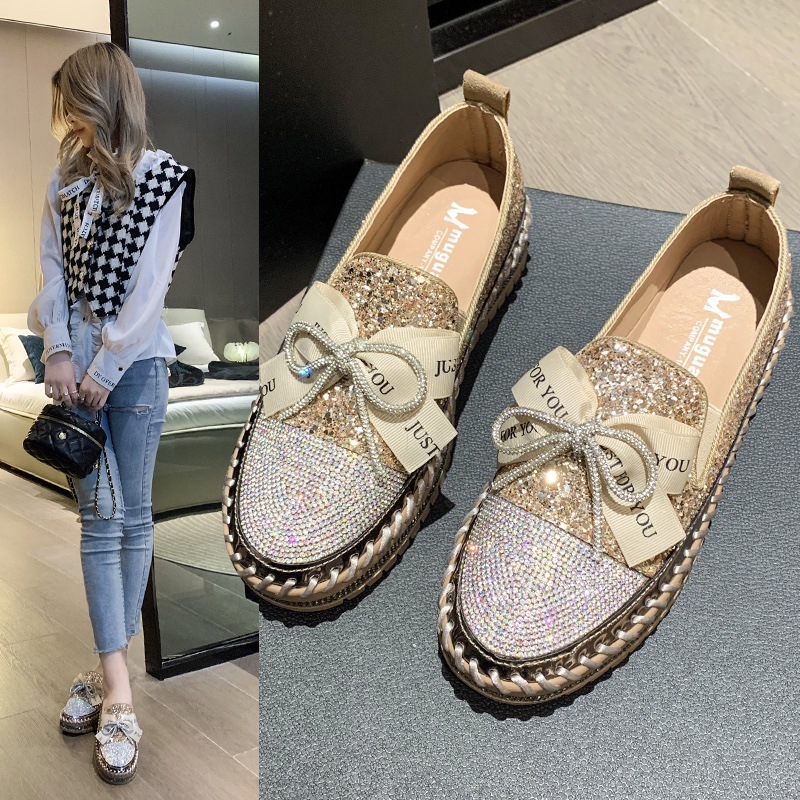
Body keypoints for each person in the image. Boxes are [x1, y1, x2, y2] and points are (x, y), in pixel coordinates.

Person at [26, 41, 194, 785]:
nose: (68, 122)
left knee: (134, 517)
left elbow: (152, 286)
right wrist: (60, 351)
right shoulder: (64, 182)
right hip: (76, 363)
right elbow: (51, 271)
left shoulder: (164, 178)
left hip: (138, 364)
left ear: (101, 99)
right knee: (101, 518)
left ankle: (103, 675)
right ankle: (120, 688)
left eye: (74, 106)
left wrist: (106, 364)